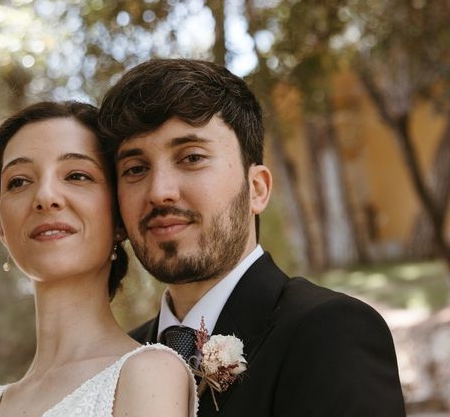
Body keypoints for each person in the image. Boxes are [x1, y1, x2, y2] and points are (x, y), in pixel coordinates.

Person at [98, 59, 406, 416]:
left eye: (192, 157)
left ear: (257, 190)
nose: (159, 192)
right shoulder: (120, 358)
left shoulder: (329, 333)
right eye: (135, 169)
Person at [0, 101, 197, 417]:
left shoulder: (149, 374)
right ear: (2, 226)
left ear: (119, 217)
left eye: (77, 175)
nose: (45, 197)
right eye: (19, 181)